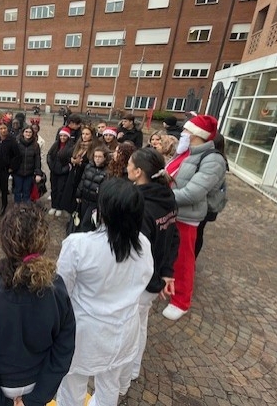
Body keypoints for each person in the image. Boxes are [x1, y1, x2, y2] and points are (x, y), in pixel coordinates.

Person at [0, 203, 76, 406]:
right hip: (38, 382)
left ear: (5, 243)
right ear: (42, 244)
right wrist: (36, 399)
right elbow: (64, 348)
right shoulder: (56, 288)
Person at [56, 179, 154, 406]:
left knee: (72, 386)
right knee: (109, 387)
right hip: (123, 331)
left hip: (84, 332)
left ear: (103, 211)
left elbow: (63, 291)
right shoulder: (144, 245)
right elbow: (144, 279)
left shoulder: (78, 245)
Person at [162, 115, 227, 321]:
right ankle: (165, 285)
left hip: (186, 217)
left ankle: (181, 301)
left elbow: (193, 193)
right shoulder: (186, 153)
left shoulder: (213, 160)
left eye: (187, 131)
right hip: (171, 212)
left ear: (198, 135)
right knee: (166, 253)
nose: (183, 134)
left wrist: (160, 196)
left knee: (183, 259)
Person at [126, 148, 179, 380]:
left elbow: (136, 252)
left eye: (129, 163)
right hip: (155, 278)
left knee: (130, 329)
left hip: (141, 282)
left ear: (138, 172)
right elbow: (173, 235)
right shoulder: (166, 196)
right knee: (141, 324)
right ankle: (133, 370)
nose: (126, 166)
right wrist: (166, 272)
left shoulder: (140, 205)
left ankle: (124, 376)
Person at [195, 132, 228, 259]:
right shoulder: (218, 159)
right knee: (199, 232)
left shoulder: (215, 162)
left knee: (198, 233)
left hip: (206, 204)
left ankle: (193, 258)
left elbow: (206, 186)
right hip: (207, 203)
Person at [61, 125, 99, 214]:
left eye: (87, 134)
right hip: (74, 174)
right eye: (83, 134)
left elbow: (93, 164)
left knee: (78, 200)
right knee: (70, 196)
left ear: (91, 135)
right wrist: (72, 160)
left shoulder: (94, 147)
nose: (84, 136)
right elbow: (67, 154)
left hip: (83, 176)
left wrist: (80, 163)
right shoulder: (79, 144)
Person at [0, 121, 21, 217]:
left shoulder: (12, 141)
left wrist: (11, 167)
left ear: (7, 129)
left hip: (5, 169)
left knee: (4, 188)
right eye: (1, 129)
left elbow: (17, 156)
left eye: (5, 128)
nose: (3, 130)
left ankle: (4, 205)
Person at [75, 147, 109, 232]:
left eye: (100, 157)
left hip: (94, 202)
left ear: (105, 158)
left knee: (87, 223)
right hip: (85, 199)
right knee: (81, 218)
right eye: (95, 156)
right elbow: (83, 180)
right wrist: (78, 194)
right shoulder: (89, 166)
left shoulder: (107, 171)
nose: (97, 159)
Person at [47, 127, 74, 217]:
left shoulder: (70, 147)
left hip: (63, 173)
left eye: (64, 136)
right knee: (54, 189)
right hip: (54, 171)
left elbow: (70, 161)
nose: (62, 137)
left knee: (60, 190)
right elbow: (49, 155)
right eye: (61, 135)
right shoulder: (56, 144)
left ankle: (59, 207)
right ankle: (53, 205)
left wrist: (64, 169)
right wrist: (51, 165)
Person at [13, 126, 43, 204]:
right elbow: (13, 157)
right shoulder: (17, 143)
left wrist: (38, 173)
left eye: (30, 132)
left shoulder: (35, 145)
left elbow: (37, 160)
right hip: (18, 172)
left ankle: (26, 209)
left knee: (27, 191)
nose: (28, 134)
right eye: (26, 132)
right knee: (17, 190)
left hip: (29, 173)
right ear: (23, 133)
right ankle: (17, 207)